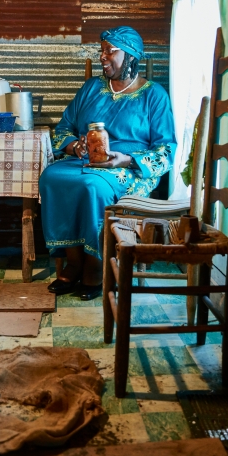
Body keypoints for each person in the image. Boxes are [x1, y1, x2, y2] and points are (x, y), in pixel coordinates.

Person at [39, 25, 176, 300]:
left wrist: (125, 158)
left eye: (110, 51)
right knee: (51, 176)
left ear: (131, 56)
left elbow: (165, 151)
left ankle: (94, 263)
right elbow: (64, 128)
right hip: (85, 163)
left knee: (92, 186)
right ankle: (74, 261)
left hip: (130, 169)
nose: (103, 57)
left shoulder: (154, 95)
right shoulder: (91, 88)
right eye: (101, 51)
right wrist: (74, 146)